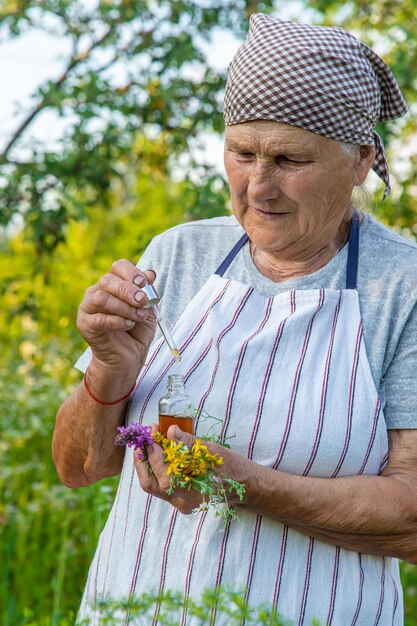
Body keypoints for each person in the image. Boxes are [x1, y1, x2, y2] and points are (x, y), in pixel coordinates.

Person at [53, 14, 417, 625]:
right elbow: (78, 467)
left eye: (288, 159)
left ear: (359, 159)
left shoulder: (401, 288)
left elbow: (410, 518)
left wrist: (240, 481)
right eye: (242, 153)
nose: (258, 186)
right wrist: (110, 372)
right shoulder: (179, 254)